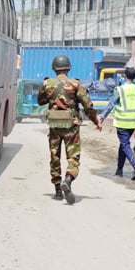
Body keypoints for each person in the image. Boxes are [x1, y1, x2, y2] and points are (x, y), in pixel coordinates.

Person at [38, 54, 102, 204]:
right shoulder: (75, 84)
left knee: (55, 156)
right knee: (73, 158)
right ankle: (68, 179)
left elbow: (40, 101)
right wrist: (96, 122)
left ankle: (58, 191)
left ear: (54, 68)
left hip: (54, 126)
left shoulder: (47, 84)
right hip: (71, 127)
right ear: (68, 68)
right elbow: (88, 106)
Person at [101, 66, 135, 177]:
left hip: (123, 121)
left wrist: (102, 117)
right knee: (123, 144)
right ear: (134, 76)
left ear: (125, 76)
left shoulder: (120, 89)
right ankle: (119, 169)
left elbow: (111, 104)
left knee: (125, 144)